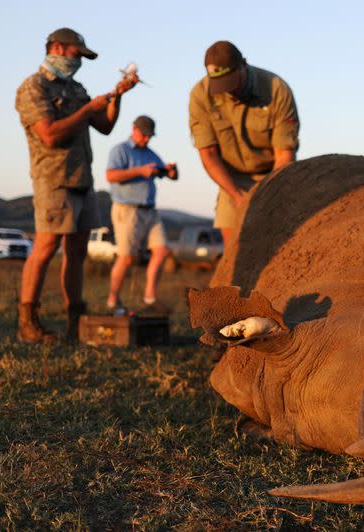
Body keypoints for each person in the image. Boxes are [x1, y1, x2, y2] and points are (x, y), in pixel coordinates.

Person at [15, 28, 138, 342]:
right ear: (57, 48)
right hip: (53, 179)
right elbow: (50, 134)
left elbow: (105, 126)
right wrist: (87, 110)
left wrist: (118, 95)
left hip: (83, 179)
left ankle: (75, 322)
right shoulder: (34, 87)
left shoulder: (77, 88)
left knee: (77, 251)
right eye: (76, 54)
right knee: (45, 247)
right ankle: (28, 322)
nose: (79, 62)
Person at [188, 40, 300, 245]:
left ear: (244, 65)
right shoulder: (200, 96)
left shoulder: (276, 89)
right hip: (231, 179)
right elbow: (209, 155)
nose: (227, 91)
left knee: (279, 242)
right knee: (235, 251)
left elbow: (284, 156)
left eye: (232, 82)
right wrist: (237, 196)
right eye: (220, 85)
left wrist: (266, 196)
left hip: (274, 175)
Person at [105, 115, 178, 315]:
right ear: (134, 129)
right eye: (144, 135)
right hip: (127, 209)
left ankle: (150, 298)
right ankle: (113, 299)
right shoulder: (120, 150)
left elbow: (168, 176)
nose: (147, 139)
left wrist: (171, 171)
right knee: (127, 257)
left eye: (150, 136)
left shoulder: (151, 154)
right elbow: (111, 176)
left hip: (150, 210)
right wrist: (140, 171)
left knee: (162, 251)